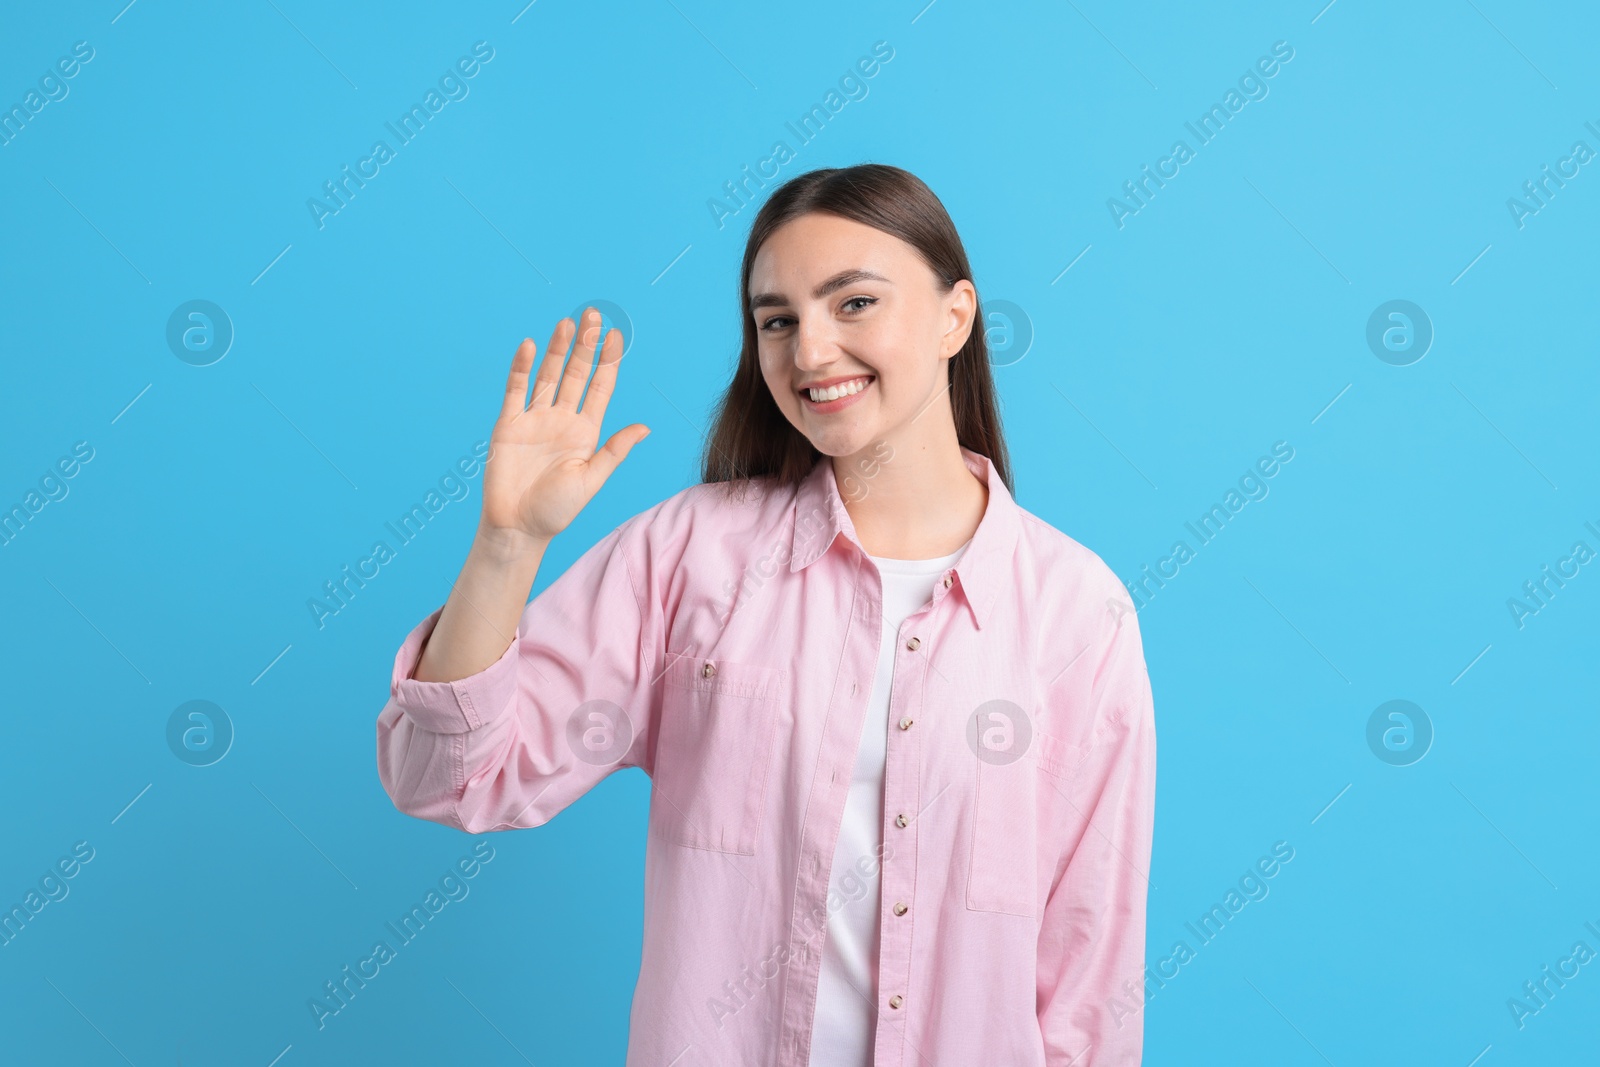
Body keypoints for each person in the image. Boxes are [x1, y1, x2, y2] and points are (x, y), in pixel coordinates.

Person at [376, 163, 1157, 1065]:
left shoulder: (1077, 614)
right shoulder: (690, 557)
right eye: (777, 320)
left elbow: (1090, 972)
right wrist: (506, 545)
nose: (810, 352)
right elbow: (448, 778)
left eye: (853, 303)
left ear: (956, 314)